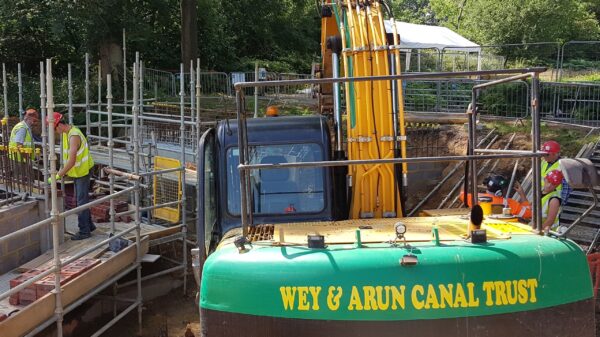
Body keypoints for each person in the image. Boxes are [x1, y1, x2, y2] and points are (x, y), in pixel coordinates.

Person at [48, 112, 96, 240]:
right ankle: (89, 225)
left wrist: (58, 175)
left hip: (83, 171)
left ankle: (84, 231)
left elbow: (72, 160)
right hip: (78, 171)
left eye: (54, 129)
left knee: (81, 202)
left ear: (58, 125)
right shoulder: (67, 133)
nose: (55, 133)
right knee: (81, 199)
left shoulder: (73, 136)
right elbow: (67, 156)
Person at [460, 174, 532, 220]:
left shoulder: (476, 198)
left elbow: (462, 194)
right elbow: (529, 214)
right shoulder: (509, 204)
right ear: (499, 192)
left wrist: (467, 180)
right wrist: (522, 194)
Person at [541, 140, 571, 205]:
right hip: (541, 197)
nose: (544, 156)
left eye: (547, 155)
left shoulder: (564, 166)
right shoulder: (543, 163)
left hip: (554, 200)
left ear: (555, 154)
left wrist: (561, 202)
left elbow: (567, 187)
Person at [540, 169, 564, 234]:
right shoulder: (539, 192)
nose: (549, 185)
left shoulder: (554, 200)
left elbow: (550, 221)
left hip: (548, 234)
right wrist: (521, 193)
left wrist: (537, 232)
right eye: (549, 181)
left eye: (553, 184)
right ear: (545, 179)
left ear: (557, 186)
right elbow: (529, 207)